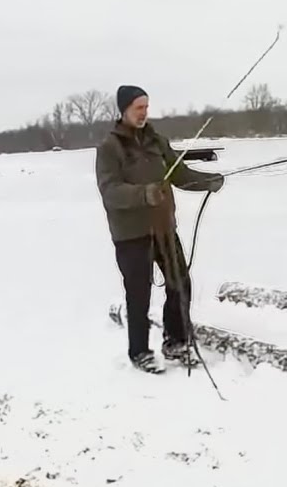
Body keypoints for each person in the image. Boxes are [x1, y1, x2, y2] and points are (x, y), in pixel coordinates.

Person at [95, 85, 225, 373]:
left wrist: (208, 182)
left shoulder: (157, 141)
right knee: (138, 294)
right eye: (139, 107)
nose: (144, 112)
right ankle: (139, 352)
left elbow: (179, 174)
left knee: (180, 283)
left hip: (163, 228)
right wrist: (144, 194)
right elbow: (110, 191)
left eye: (146, 107)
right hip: (131, 235)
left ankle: (176, 342)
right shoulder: (109, 148)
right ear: (124, 109)